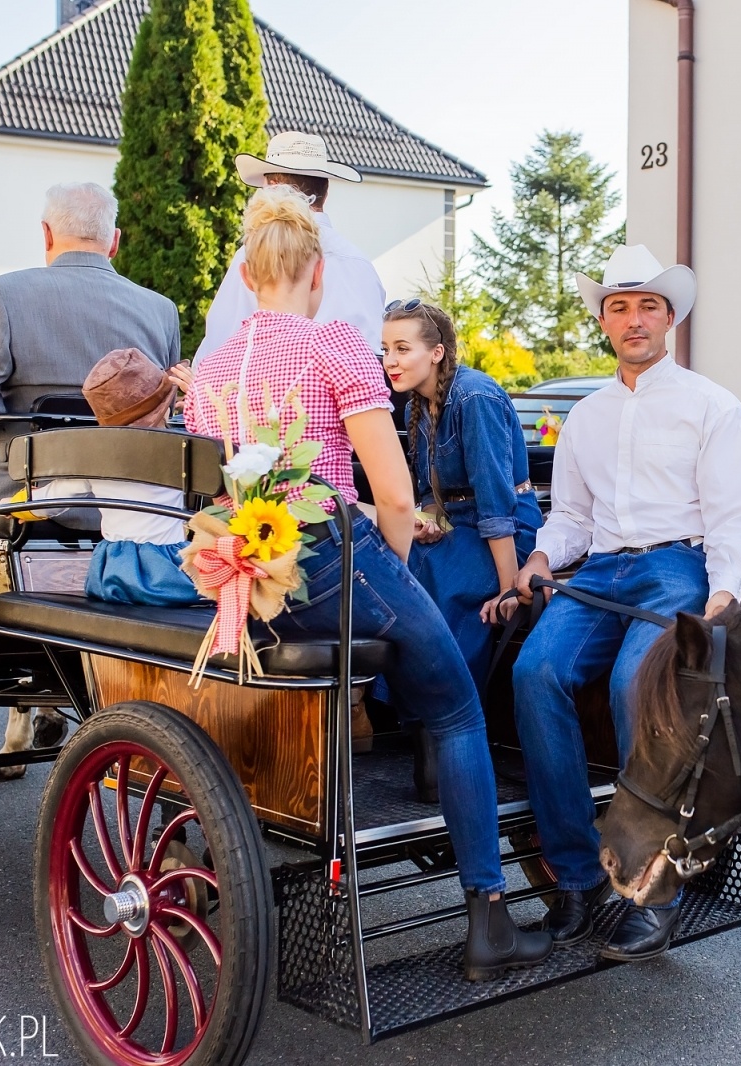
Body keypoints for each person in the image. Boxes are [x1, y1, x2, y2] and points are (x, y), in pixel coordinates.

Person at [184, 185, 550, 979]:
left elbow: (218, 495)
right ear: (316, 274)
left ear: (248, 277)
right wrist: (398, 573)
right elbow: (390, 493)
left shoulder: (210, 371)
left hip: (252, 576)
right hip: (330, 558)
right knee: (454, 708)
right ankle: (488, 917)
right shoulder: (336, 348)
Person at [507, 245, 741, 962]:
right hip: (597, 571)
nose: (632, 319)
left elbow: (735, 518)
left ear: (670, 316)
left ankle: (657, 886)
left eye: (646, 306)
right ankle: (577, 878)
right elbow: (571, 521)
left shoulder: (711, 407)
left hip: (677, 566)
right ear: (603, 321)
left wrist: (719, 599)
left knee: (635, 683)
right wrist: (536, 558)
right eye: (618, 307)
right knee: (534, 675)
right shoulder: (585, 417)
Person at [0, 183, 180, 517]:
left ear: (47, 235)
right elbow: (166, 408)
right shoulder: (162, 310)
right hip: (131, 502)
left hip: (20, 495)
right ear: (114, 242)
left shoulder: (3, 294)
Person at [380, 300, 542, 689]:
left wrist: (508, 589)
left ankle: (451, 705)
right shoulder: (414, 406)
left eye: (403, 349)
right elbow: (430, 494)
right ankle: (398, 707)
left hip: (508, 529)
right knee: (392, 566)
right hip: (460, 526)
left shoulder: (474, 397)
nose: (389, 360)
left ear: (436, 353)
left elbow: (495, 504)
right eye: (386, 349)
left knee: (441, 577)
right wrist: (430, 522)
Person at [13, 348, 202, 607]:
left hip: (112, 571)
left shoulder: (96, 457)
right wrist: (200, 405)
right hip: (166, 571)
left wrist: (17, 505)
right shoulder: (183, 448)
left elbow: (51, 498)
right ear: (165, 408)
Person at [193, 131, 386, 363]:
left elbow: (218, 348)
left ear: (273, 187)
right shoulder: (361, 265)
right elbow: (376, 355)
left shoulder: (256, 252)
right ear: (325, 191)